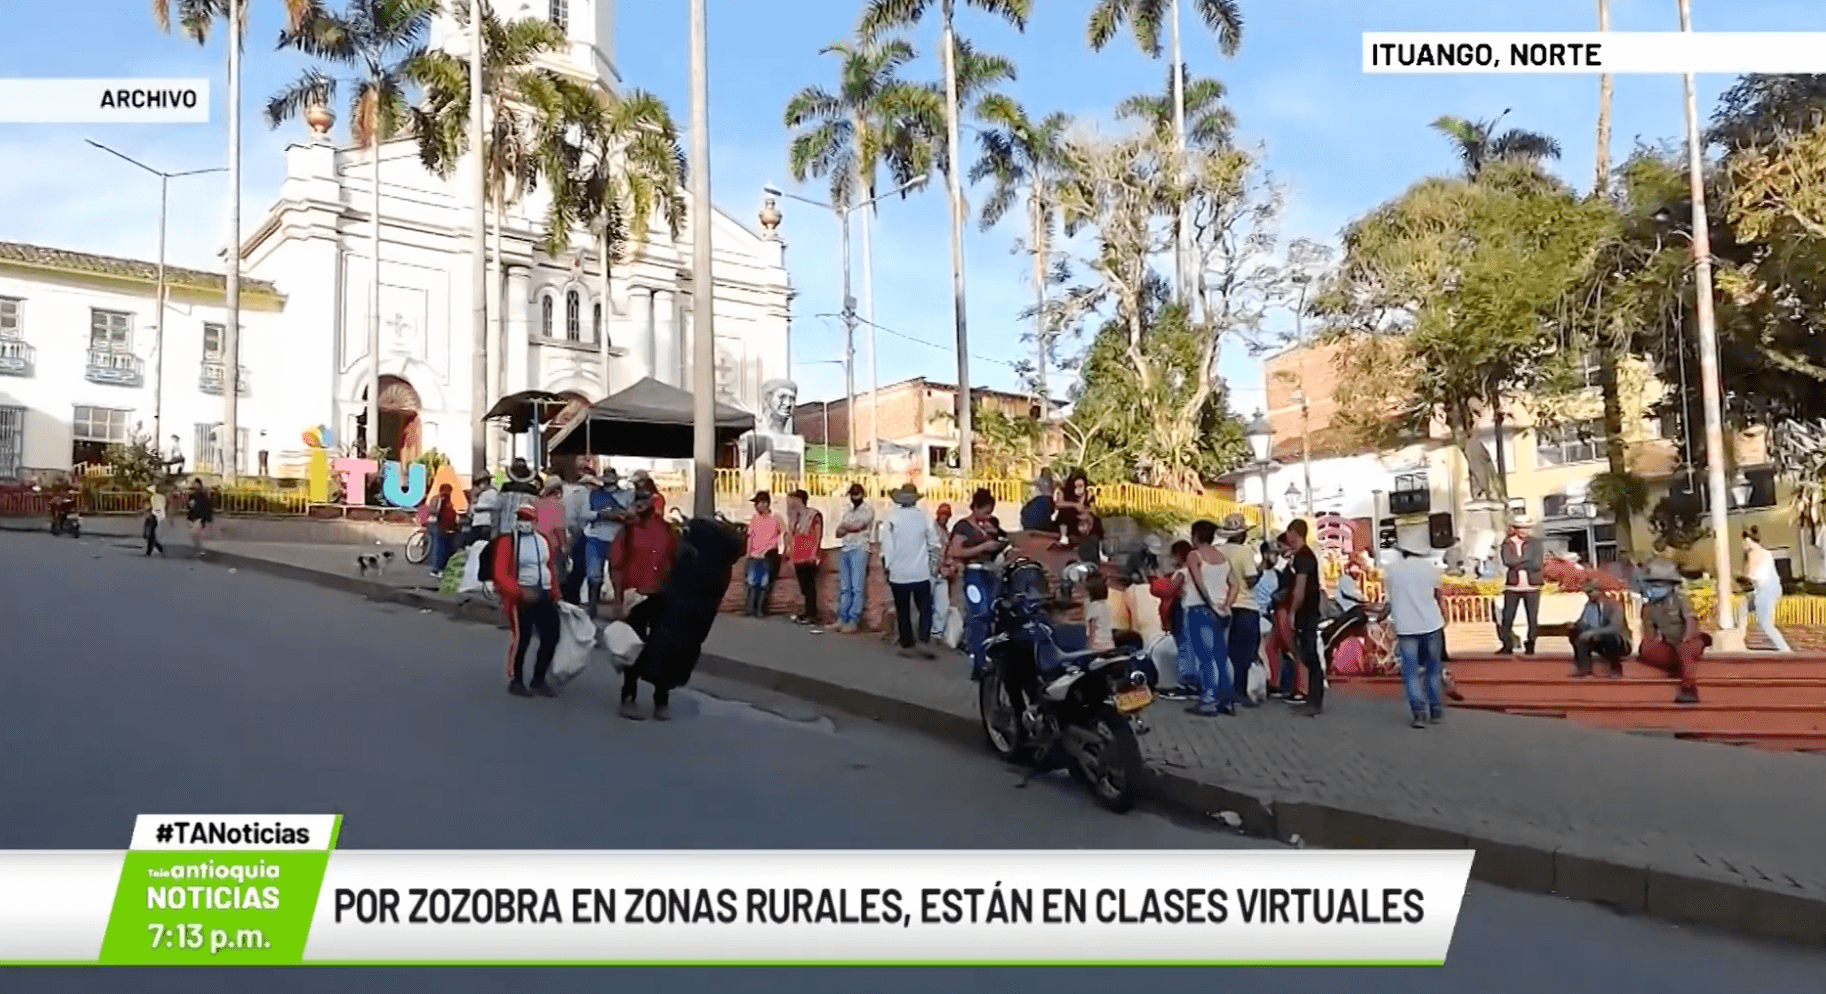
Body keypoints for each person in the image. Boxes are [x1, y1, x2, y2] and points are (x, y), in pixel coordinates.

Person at [485, 505, 562, 698]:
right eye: (521, 518)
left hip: (543, 594)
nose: (524, 522)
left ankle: (539, 678)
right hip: (521, 597)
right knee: (521, 639)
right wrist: (519, 592)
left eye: (528, 518)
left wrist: (554, 592)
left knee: (551, 636)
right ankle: (516, 680)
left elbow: (549, 567)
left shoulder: (543, 540)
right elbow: (500, 573)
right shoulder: (507, 541)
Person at [1180, 520, 1241, 717]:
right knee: (1222, 657)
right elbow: (1234, 583)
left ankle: (1208, 700)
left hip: (1201, 610)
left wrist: (1209, 603)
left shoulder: (1194, 555)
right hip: (1224, 613)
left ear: (1196, 536)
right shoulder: (1221, 557)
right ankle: (1227, 700)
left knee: (1206, 658)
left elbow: (1198, 582)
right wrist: (1226, 604)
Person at [1382, 545, 1448, 728]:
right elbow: (1438, 596)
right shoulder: (1431, 569)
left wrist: (1381, 616)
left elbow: (1388, 602)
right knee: (1432, 670)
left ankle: (1419, 714)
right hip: (1431, 624)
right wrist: (1445, 616)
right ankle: (1435, 710)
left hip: (1406, 627)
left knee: (1411, 673)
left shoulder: (1391, 571)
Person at [949, 487, 1007, 678]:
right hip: (974, 574)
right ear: (975, 508)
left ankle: (986, 656)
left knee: (990, 614)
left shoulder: (987, 526)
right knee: (979, 614)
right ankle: (977, 659)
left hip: (990, 573)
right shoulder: (963, 527)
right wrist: (983, 546)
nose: (987, 516)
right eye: (985, 511)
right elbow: (955, 551)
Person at [880, 483, 938, 659]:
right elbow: (934, 543)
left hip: (899, 572)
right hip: (921, 571)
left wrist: (887, 567)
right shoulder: (924, 517)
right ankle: (923, 639)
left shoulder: (891, 517)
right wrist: (932, 565)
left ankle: (907, 643)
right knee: (925, 608)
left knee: (902, 609)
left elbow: (887, 547)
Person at [1637, 558, 1706, 704]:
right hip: (1669, 646)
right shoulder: (1649, 608)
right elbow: (1649, 634)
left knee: (1685, 650)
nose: (1653, 588)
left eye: (1658, 585)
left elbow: (1691, 623)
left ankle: (1689, 688)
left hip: (1689, 641)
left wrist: (1685, 640)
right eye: (1651, 584)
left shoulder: (1681, 600)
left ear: (1670, 585)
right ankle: (1678, 663)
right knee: (1645, 649)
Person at [1218, 514, 1261, 706]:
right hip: (1245, 605)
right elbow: (1251, 580)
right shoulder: (1245, 552)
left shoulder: (1218, 551)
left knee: (1225, 651)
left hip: (1224, 604)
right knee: (1245, 652)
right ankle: (1240, 691)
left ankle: (1223, 689)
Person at [611, 490, 677, 613]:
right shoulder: (627, 530)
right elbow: (616, 563)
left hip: (649, 591)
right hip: (643, 592)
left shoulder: (628, 529)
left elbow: (616, 563)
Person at [1285, 519, 1325, 716]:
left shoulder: (1303, 557)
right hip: (1310, 610)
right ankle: (1312, 696)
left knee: (1309, 653)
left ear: (1294, 533)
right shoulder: (1303, 556)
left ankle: (1315, 699)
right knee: (1307, 653)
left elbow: (1299, 589)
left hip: (1306, 612)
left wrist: (1292, 611)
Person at [1154, 541, 1199, 700]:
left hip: (1183, 609)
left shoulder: (1183, 572)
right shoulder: (1194, 570)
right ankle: (1193, 682)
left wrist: (1157, 581)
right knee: (1190, 646)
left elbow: (1169, 590)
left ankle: (1187, 683)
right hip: (1188, 609)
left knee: (1185, 647)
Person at [580, 472, 629, 613]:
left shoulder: (625, 495)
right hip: (596, 537)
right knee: (594, 576)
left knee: (618, 576)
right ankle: (592, 607)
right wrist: (602, 515)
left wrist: (620, 515)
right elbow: (584, 514)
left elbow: (631, 514)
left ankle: (620, 607)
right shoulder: (592, 494)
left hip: (617, 537)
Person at [1496, 514, 1545, 655]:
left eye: (1527, 528)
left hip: (1532, 585)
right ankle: (1507, 645)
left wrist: (1518, 562)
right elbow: (1507, 561)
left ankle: (1531, 644)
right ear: (1515, 529)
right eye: (1521, 528)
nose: (1525, 531)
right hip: (1513, 586)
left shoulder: (1536, 543)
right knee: (1508, 617)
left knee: (1532, 617)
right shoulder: (1507, 543)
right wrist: (1525, 561)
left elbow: (1536, 564)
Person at [1742, 525, 1792, 653]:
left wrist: (1740, 576)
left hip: (1764, 591)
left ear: (1749, 540)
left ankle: (1784, 649)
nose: (1743, 544)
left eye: (1745, 541)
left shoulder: (1753, 553)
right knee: (1744, 606)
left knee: (1765, 623)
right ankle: (1739, 637)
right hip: (1772, 589)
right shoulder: (1765, 552)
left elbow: (1751, 575)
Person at [833, 483, 875, 632]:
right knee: (845, 587)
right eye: (852, 494)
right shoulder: (848, 511)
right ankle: (842, 617)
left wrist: (845, 526)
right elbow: (838, 532)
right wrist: (846, 526)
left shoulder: (867, 510)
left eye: (856, 494)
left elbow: (858, 526)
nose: (854, 497)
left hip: (859, 548)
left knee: (857, 587)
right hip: (846, 548)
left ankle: (853, 619)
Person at [1571, 578, 1631, 678]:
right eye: (1586, 592)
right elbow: (1583, 621)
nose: (1588, 595)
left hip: (1614, 639)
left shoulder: (1614, 605)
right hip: (1595, 637)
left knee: (1610, 638)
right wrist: (1575, 625)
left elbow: (1615, 628)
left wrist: (1594, 632)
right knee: (1575, 633)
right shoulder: (1589, 605)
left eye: (1591, 592)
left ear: (1600, 591)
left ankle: (1615, 669)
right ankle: (1584, 668)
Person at [743, 491, 784, 618]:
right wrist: (748, 552)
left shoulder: (776, 518)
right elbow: (751, 536)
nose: (756, 506)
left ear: (765, 503)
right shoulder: (755, 518)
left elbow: (783, 534)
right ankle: (750, 609)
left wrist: (782, 549)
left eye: (758, 503)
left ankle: (760, 609)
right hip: (754, 555)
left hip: (768, 554)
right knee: (751, 582)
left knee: (764, 583)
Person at [786, 490, 824, 626]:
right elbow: (792, 536)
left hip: (809, 554)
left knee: (810, 587)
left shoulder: (813, 515)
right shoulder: (795, 516)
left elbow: (818, 534)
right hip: (798, 554)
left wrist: (814, 552)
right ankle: (807, 612)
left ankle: (812, 614)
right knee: (803, 586)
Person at [930, 502, 954, 642]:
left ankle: (937, 633)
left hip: (941, 573)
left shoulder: (946, 533)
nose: (944, 517)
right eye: (942, 514)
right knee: (926, 605)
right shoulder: (931, 530)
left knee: (942, 606)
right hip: (929, 571)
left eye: (947, 514)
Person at [428, 483, 460, 575]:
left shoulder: (445, 499)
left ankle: (438, 567)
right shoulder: (439, 499)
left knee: (439, 547)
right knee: (438, 547)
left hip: (441, 525)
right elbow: (434, 511)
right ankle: (435, 569)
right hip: (437, 524)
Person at [1084, 573, 1116, 652]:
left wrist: (1089, 647)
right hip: (1109, 644)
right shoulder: (1106, 606)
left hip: (1098, 646)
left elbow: (1092, 630)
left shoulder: (1093, 608)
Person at [1020, 467, 1056, 531]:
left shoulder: (1050, 481)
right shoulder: (1048, 480)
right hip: (1046, 499)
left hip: (1045, 499)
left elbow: (1031, 483)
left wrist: (1023, 481)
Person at [467, 476, 500, 545]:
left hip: (485, 522)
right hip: (478, 522)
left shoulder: (492, 492)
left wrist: (479, 508)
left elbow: (494, 506)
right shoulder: (483, 493)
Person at [185, 478, 214, 551]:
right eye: (195, 484)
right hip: (195, 516)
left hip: (200, 517)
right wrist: (189, 517)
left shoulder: (203, 495)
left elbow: (207, 506)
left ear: (200, 485)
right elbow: (191, 507)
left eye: (197, 484)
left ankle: (199, 549)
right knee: (194, 534)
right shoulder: (193, 495)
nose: (196, 486)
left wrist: (208, 518)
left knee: (195, 533)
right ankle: (199, 548)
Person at [141, 487, 166, 557]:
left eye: (145, 492)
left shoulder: (152, 500)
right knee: (148, 535)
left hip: (153, 518)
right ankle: (160, 548)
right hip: (149, 519)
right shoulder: (146, 500)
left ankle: (150, 551)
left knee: (150, 535)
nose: (143, 494)